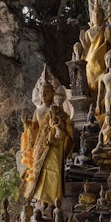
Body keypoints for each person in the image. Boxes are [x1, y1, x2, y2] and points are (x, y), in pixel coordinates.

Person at [20, 74, 74, 205]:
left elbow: (65, 123)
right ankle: (41, 201)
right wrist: (26, 123)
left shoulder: (56, 110)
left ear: (53, 93)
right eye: (41, 91)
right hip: (40, 146)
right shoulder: (37, 112)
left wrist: (58, 124)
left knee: (51, 174)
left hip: (53, 147)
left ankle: (52, 201)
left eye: (47, 91)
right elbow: (35, 128)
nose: (44, 94)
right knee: (39, 174)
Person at [80, 5, 111, 93]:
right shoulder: (88, 33)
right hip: (90, 64)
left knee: (104, 86)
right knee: (91, 85)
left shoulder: (108, 31)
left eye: (98, 15)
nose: (96, 17)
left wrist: (109, 40)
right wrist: (83, 44)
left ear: (103, 17)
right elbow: (86, 51)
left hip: (104, 63)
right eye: (94, 15)